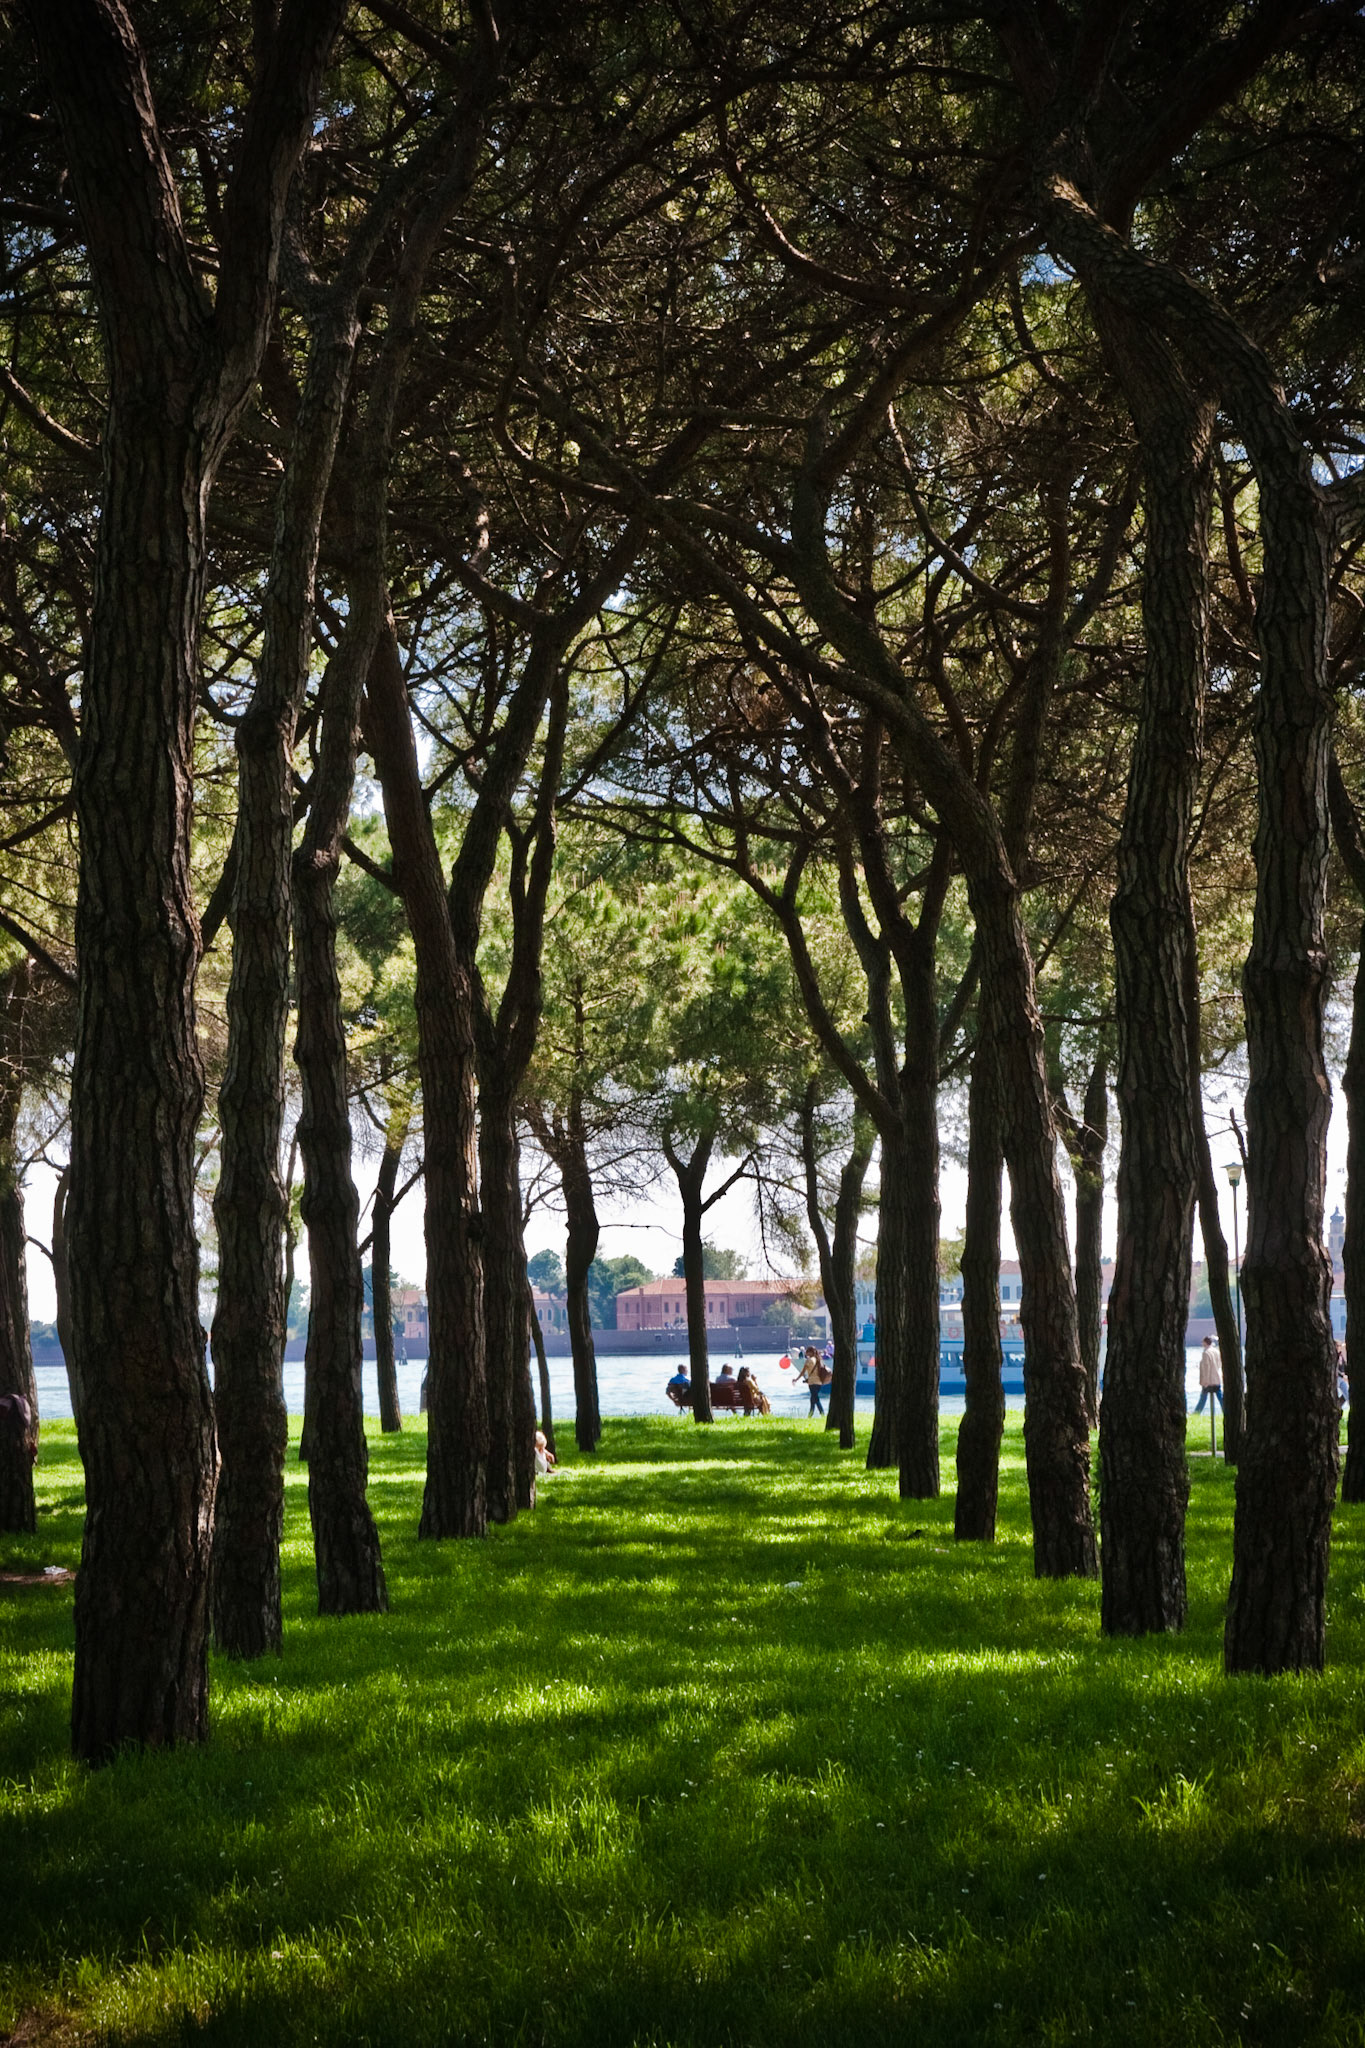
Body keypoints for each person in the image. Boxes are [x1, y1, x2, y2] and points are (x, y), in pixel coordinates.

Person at [1193, 1334, 1222, 1415]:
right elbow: (1219, 1364)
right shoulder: (1216, 1351)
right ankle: (1226, 1410)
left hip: (1209, 1380)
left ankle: (1196, 1413)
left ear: (1205, 1343)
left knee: (1203, 1398)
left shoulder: (1206, 1353)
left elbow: (1206, 1368)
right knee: (1220, 1397)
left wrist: (1205, 1381)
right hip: (1216, 1378)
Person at [798, 1346, 825, 1417]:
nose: (806, 1353)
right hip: (819, 1383)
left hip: (812, 1383)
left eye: (807, 1351)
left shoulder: (809, 1361)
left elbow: (803, 1372)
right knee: (812, 1399)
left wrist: (796, 1379)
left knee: (816, 1399)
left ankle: (822, 1414)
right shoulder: (819, 1359)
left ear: (810, 1352)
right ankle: (810, 1415)